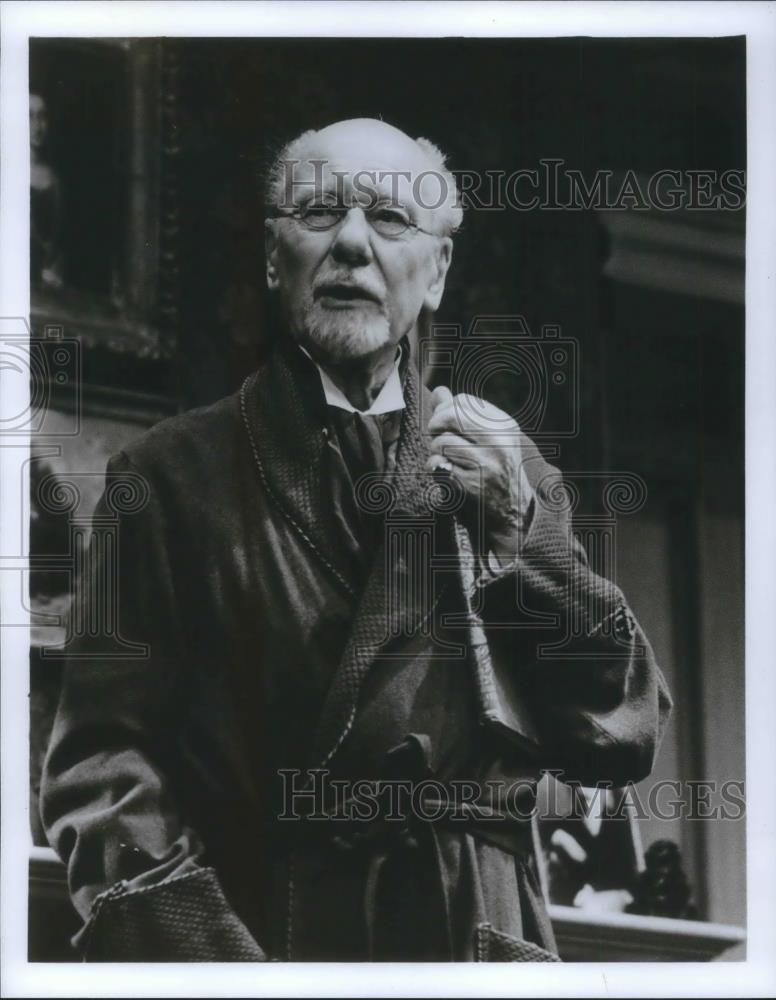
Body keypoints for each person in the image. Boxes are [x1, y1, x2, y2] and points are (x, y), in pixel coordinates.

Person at [41, 118, 672, 962]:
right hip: (269, 933)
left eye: (390, 219)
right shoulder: (163, 479)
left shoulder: (504, 468)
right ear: (274, 258)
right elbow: (101, 769)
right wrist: (214, 968)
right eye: (318, 214)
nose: (350, 243)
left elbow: (621, 731)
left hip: (472, 938)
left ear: (437, 270)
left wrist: (524, 544)